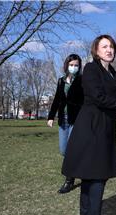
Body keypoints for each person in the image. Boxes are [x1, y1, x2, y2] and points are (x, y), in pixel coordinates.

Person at [62, 35, 116, 215]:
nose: (109, 50)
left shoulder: (111, 71)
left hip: (104, 127)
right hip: (91, 127)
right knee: (96, 175)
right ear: (96, 50)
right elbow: (98, 98)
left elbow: (112, 96)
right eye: (104, 46)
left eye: (111, 46)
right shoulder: (90, 69)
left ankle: (86, 214)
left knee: (90, 174)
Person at [47, 54, 84, 194]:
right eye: (71, 65)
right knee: (63, 150)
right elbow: (57, 99)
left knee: (71, 150)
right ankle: (79, 168)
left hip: (77, 119)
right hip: (64, 119)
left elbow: (85, 100)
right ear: (66, 65)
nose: (73, 67)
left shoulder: (81, 80)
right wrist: (51, 116)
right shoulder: (61, 81)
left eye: (76, 65)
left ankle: (69, 180)